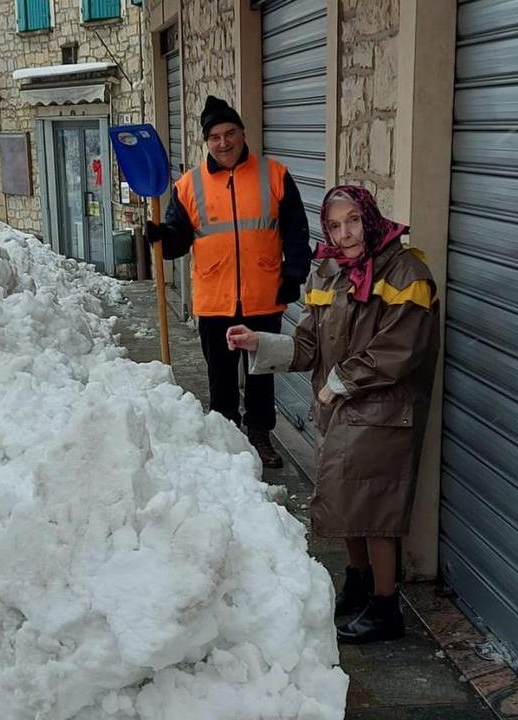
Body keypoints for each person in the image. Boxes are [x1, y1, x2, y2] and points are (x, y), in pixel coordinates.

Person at [225, 185, 440, 644]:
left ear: (371, 218)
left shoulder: (407, 273)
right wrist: (261, 342)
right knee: (347, 501)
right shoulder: (328, 273)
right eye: (335, 225)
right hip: (338, 410)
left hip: (383, 413)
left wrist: (339, 382)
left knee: (376, 510)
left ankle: (385, 607)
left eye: (354, 221)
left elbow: (400, 350)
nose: (345, 234)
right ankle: (358, 581)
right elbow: (308, 345)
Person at [145, 96, 312, 469]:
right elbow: (178, 238)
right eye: (215, 137)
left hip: (263, 296)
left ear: (242, 133)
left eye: (230, 133)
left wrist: (294, 275)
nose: (224, 143)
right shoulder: (189, 185)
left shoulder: (274, 175)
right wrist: (161, 236)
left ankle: (260, 435)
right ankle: (225, 436)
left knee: (261, 374)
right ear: (206, 141)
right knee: (220, 377)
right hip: (214, 299)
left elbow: (297, 232)